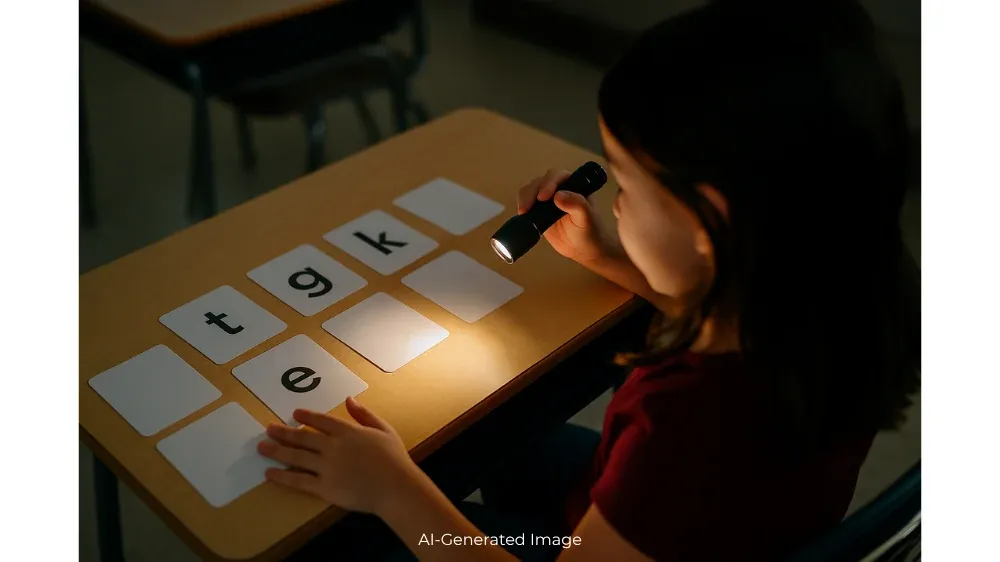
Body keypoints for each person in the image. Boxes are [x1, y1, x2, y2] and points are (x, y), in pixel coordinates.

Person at [257, 1, 920, 560]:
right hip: (721, 531)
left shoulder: (688, 430)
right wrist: (604, 256)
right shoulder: (844, 293)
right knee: (504, 438)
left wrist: (391, 491)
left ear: (709, 218)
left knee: (351, 533)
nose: (618, 203)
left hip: (616, 535)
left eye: (626, 184)